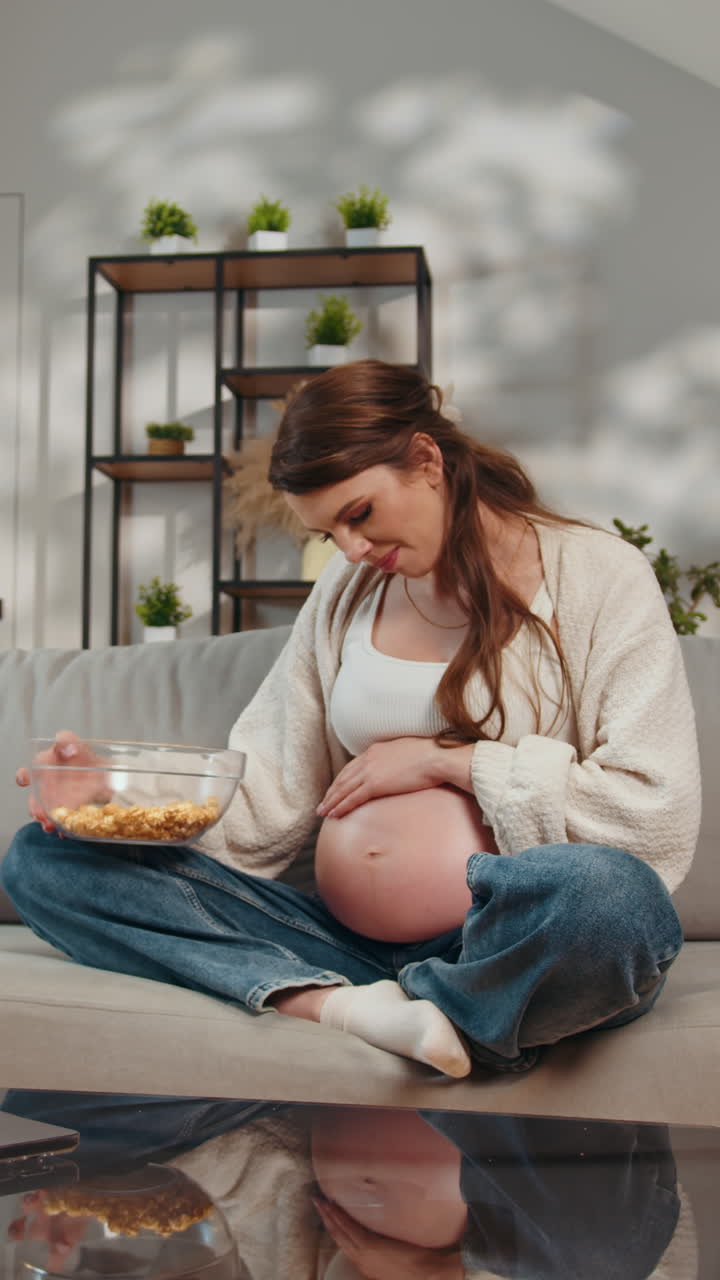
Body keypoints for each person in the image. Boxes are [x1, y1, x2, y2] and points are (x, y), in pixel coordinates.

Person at [3, 359, 701, 1077]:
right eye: (328, 534)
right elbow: (270, 786)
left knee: (616, 902)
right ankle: (356, 1008)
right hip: (336, 940)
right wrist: (113, 801)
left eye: (358, 514)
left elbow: (654, 807)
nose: (352, 550)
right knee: (40, 859)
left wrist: (449, 760)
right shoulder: (349, 587)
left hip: (507, 941)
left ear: (426, 459)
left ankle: (438, 1003)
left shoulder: (598, 574)